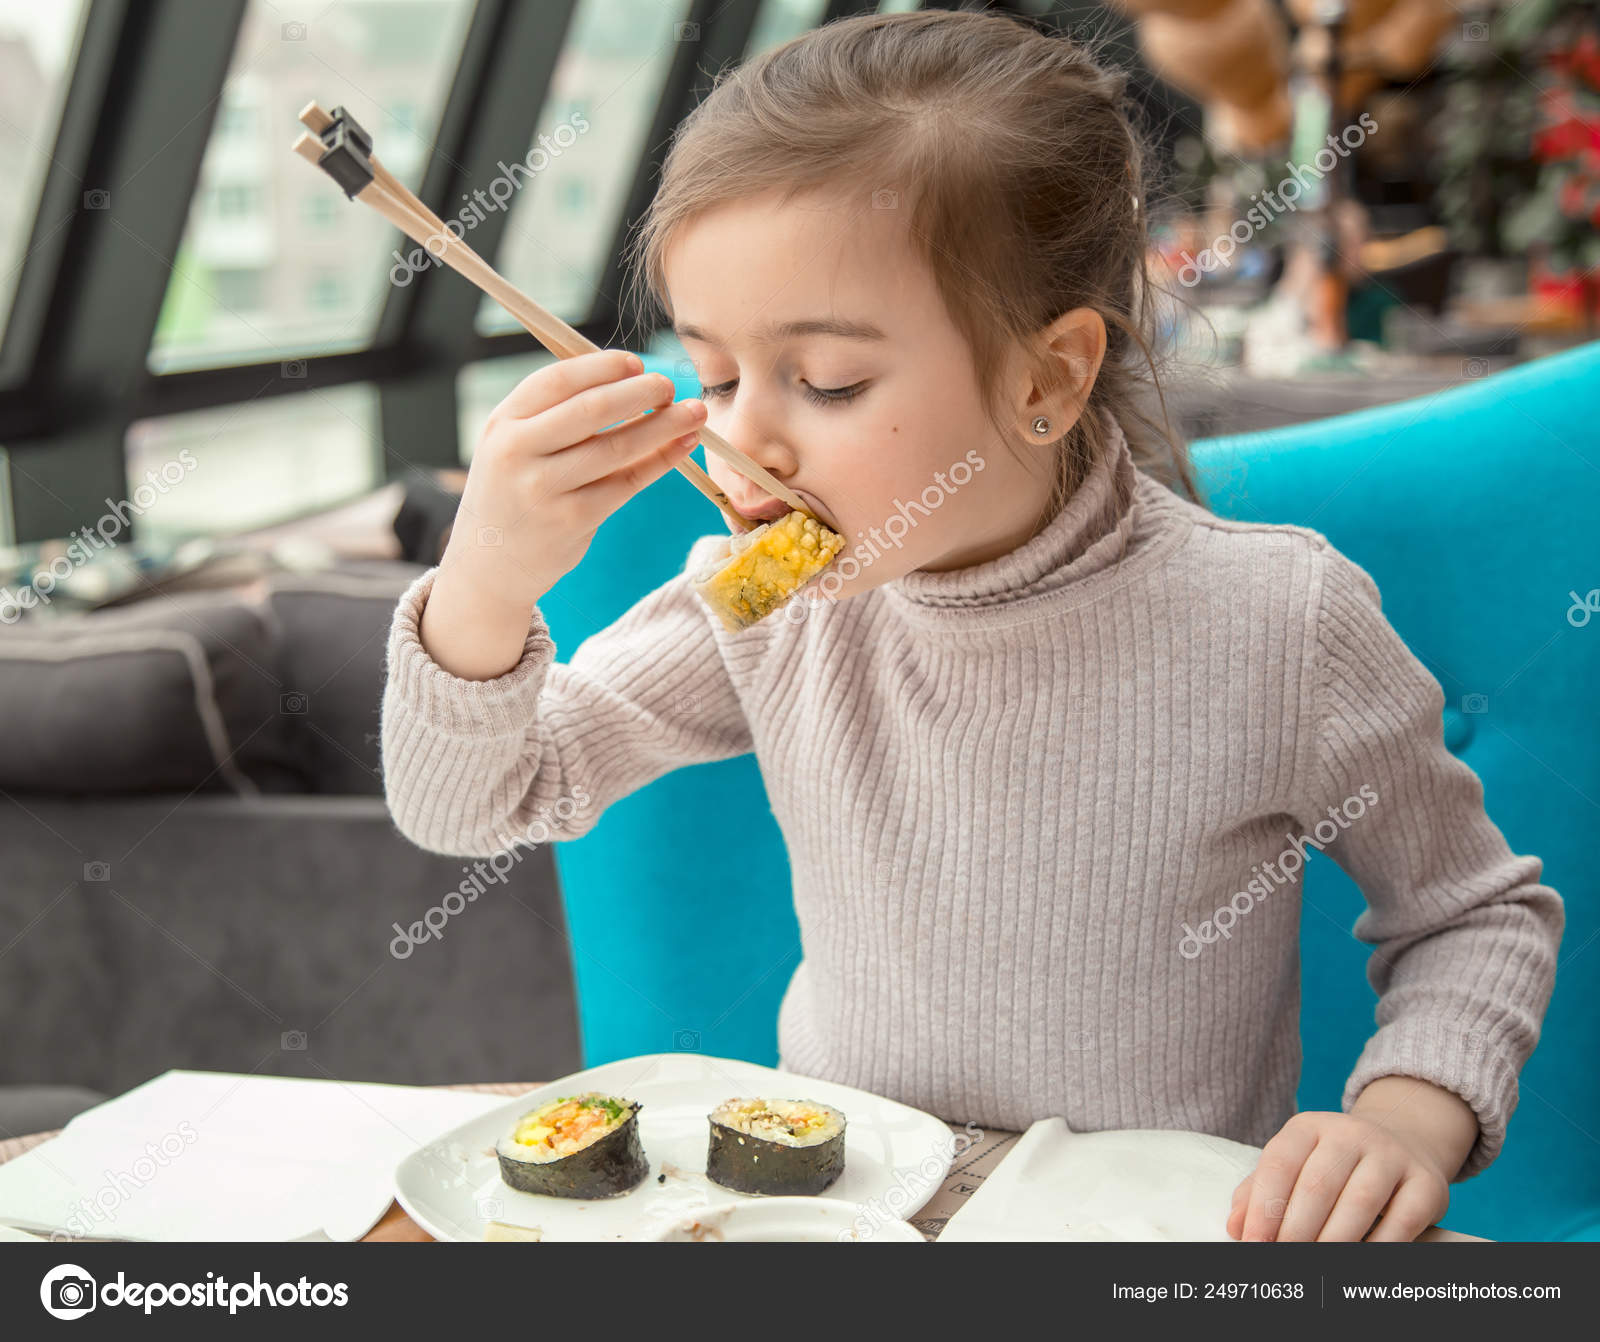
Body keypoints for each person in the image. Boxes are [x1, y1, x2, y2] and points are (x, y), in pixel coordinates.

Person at [379, 10, 1561, 1242]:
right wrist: (483, 584)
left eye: (826, 383)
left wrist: (1404, 1119)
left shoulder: (1275, 619)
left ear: (1045, 379)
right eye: (714, 376)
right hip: (834, 1227)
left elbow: (1473, 916)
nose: (744, 445)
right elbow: (473, 801)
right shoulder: (765, 593)